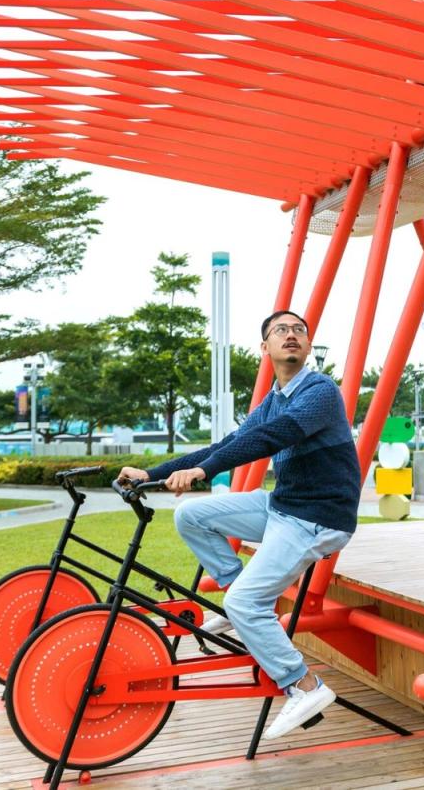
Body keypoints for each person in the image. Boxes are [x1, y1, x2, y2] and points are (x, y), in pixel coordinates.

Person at [117, 309, 359, 740]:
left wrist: (204, 472)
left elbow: (269, 438)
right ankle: (239, 601)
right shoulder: (275, 398)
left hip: (317, 517)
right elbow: (231, 443)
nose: (291, 334)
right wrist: (151, 474)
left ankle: (304, 685)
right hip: (282, 506)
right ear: (265, 348)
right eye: (280, 330)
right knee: (190, 515)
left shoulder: (320, 390)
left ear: (308, 346)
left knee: (246, 602)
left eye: (299, 330)